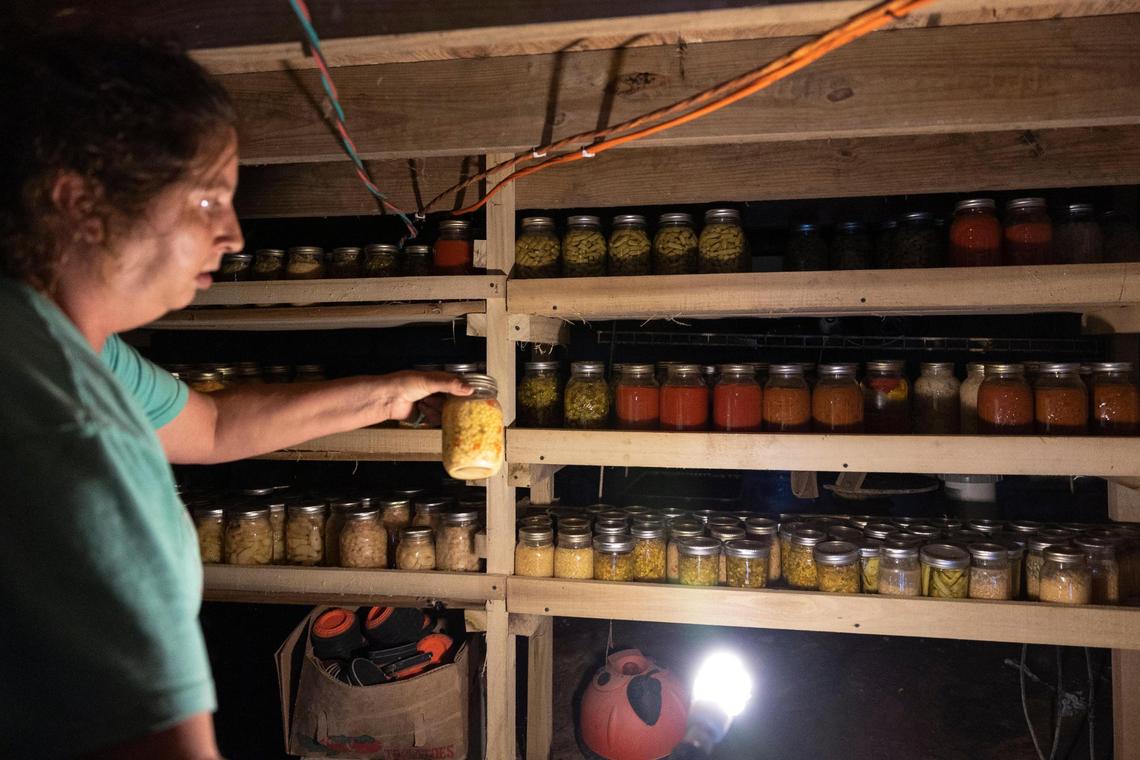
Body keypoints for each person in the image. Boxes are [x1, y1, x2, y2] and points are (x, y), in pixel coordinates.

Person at [0, 31, 470, 759]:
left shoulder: (54, 340)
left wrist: (390, 394)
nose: (233, 232)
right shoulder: (76, 432)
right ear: (81, 203)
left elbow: (212, 425)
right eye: (208, 197)